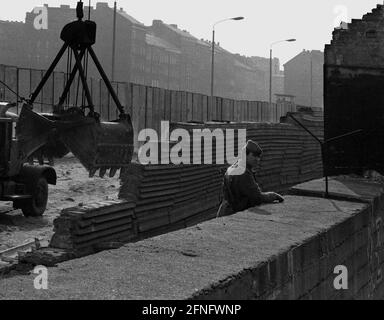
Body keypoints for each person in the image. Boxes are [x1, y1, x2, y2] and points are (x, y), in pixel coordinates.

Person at [222, 140, 284, 213]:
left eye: (259, 156)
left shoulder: (233, 167)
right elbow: (257, 198)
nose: (257, 159)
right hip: (234, 212)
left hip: (225, 210)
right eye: (254, 155)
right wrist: (273, 195)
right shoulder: (243, 172)